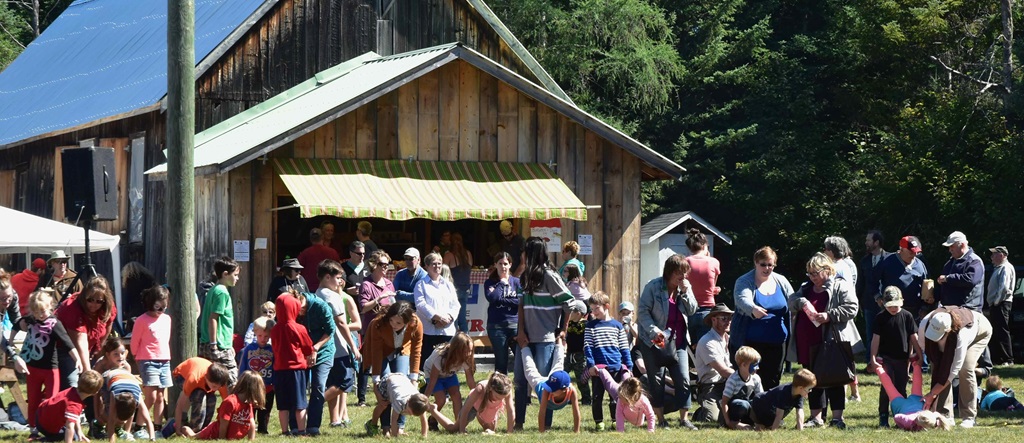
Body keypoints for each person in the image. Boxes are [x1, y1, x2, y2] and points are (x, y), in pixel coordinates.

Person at [788, 253, 862, 429]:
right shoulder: (805, 287)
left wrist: (829, 316)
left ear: (827, 270)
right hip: (807, 341)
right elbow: (791, 301)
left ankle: (837, 418)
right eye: (810, 273)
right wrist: (801, 302)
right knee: (812, 379)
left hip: (831, 341)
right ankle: (816, 418)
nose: (812, 277)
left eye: (815, 273)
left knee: (835, 377)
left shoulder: (840, 285)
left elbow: (852, 308)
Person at [513, 236, 576, 431]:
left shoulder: (550, 276)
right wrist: (520, 331)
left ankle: (546, 425)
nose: (522, 254)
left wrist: (563, 330)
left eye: (525, 251)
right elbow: (521, 306)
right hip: (525, 338)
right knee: (520, 382)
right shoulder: (525, 276)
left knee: (547, 385)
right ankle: (519, 423)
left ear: (532, 253)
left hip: (546, 340)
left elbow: (569, 303)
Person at [637, 254, 698, 430]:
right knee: (657, 381)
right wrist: (654, 330)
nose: (683, 276)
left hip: (678, 342)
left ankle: (684, 418)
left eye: (685, 273)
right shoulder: (653, 287)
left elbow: (693, 310)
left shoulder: (685, 287)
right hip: (653, 341)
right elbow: (642, 312)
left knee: (683, 378)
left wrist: (686, 292)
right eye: (679, 272)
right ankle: (661, 420)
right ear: (669, 272)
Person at [14, 289, 80, 435]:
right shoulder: (31, 319)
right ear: (32, 311)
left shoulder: (54, 324)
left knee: (51, 401)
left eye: (43, 311)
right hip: (32, 367)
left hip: (51, 369)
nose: (40, 315)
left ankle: (50, 428)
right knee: (33, 399)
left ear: (50, 306)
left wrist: (78, 360)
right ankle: (33, 429)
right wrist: (11, 341)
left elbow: (68, 343)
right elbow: (16, 325)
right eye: (36, 312)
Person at [730, 246, 794, 390]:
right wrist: (752, 309)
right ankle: (751, 410)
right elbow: (741, 299)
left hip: (777, 342)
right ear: (755, 263)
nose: (766, 268)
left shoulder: (781, 281)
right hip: (751, 344)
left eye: (770, 265)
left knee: (773, 379)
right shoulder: (744, 281)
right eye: (763, 264)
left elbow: (793, 299)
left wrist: (803, 304)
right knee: (751, 380)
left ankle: (769, 410)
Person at [919, 305, 993, 428]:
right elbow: (925, 348)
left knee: (965, 367)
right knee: (940, 366)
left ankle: (969, 416)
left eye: (939, 336)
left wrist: (933, 393)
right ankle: (945, 415)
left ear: (948, 331)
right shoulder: (925, 323)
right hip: (959, 333)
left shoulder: (961, 335)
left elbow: (953, 370)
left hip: (979, 332)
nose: (935, 340)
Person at [362, 301, 423, 433]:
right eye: (391, 321)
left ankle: (400, 426)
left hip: (402, 350)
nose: (393, 325)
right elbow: (376, 352)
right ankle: (385, 427)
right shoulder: (378, 324)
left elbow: (416, 351)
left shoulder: (416, 323)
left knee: (403, 387)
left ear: (407, 321)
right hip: (381, 352)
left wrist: (414, 378)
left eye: (398, 323)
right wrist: (376, 381)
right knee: (386, 387)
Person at [868, 286, 923, 428]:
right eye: (890, 306)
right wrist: (873, 358)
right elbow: (875, 339)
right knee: (887, 387)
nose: (893, 308)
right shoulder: (880, 318)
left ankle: (902, 415)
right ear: (884, 303)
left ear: (902, 302)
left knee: (901, 387)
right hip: (886, 358)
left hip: (903, 359)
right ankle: (883, 417)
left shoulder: (907, 316)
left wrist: (919, 354)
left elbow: (913, 337)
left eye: (896, 305)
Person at [320, 260, 362, 429]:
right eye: (338, 278)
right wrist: (353, 346)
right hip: (338, 346)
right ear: (327, 276)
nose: (340, 281)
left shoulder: (320, 293)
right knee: (346, 381)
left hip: (331, 347)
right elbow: (342, 323)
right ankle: (316, 402)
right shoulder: (331, 296)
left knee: (334, 383)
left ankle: (334, 419)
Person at [55, 275, 116, 390]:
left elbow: (107, 327)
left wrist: (98, 350)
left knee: (102, 381)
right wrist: (88, 373)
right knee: (73, 385)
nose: (94, 304)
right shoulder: (72, 308)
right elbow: (80, 342)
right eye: (90, 300)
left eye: (99, 301)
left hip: (89, 347)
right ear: (84, 296)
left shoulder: (108, 307)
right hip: (64, 349)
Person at [583, 291, 632, 430]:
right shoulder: (590, 326)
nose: (594, 312)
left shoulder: (617, 326)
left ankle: (615, 419)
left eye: (596, 308)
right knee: (597, 397)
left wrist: (628, 366)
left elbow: (624, 348)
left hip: (615, 366)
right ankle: (599, 422)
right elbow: (588, 347)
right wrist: (591, 365)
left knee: (615, 396)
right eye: (591, 309)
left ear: (607, 306)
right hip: (598, 369)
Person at [355, 250, 396, 407]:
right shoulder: (366, 284)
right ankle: (362, 398)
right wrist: (378, 299)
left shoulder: (389, 284)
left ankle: (385, 392)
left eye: (387, 265)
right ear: (373, 265)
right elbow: (363, 307)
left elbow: (393, 303)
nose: (385, 268)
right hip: (372, 330)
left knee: (386, 361)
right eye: (382, 264)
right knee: (367, 363)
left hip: (388, 329)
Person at [271, 290, 314, 436]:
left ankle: (284, 431)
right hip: (296, 370)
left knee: (283, 405)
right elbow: (308, 347)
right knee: (300, 403)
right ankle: (301, 431)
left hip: (279, 369)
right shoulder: (299, 328)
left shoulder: (275, 329)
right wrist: (309, 355)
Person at [293, 289, 336, 436]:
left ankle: (313, 426)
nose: (301, 313)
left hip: (323, 350)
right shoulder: (292, 307)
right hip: (301, 352)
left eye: (303, 309)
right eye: (298, 310)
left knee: (318, 386)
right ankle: (296, 426)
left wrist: (315, 348)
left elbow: (331, 330)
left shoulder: (320, 306)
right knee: (299, 387)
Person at [130, 285, 172, 433]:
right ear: (151, 304)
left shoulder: (167, 319)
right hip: (147, 360)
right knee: (151, 396)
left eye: (164, 307)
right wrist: (136, 356)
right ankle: (140, 426)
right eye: (158, 307)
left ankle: (157, 427)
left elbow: (165, 340)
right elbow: (135, 342)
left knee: (161, 396)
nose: (161, 311)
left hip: (164, 360)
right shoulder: (142, 320)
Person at [180, 370, 266, 440]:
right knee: (193, 437)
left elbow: (251, 424)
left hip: (231, 436)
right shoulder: (231, 402)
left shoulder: (248, 404)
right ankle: (184, 428)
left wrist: (251, 440)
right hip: (214, 432)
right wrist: (222, 440)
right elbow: (223, 424)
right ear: (252, 389)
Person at [873, 357, 953, 431]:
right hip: (900, 405)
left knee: (917, 385)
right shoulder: (909, 421)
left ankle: (915, 363)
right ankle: (879, 368)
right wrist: (904, 426)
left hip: (918, 402)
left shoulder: (933, 417)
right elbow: (897, 417)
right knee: (889, 387)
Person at [425, 371, 515, 434]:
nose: (499, 400)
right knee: (453, 429)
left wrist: (509, 432)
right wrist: (462, 430)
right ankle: (433, 410)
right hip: (474, 406)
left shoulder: (506, 390)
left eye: (502, 398)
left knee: (490, 430)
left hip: (489, 406)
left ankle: (482, 417)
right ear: (491, 389)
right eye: (497, 397)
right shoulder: (480, 389)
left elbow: (511, 412)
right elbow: (465, 410)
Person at [414, 252, 460, 371]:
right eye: (434, 264)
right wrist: (437, 318)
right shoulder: (421, 284)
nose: (437, 267)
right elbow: (420, 304)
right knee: (426, 363)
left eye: (439, 264)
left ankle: (444, 388)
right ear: (427, 266)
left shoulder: (448, 285)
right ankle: (425, 389)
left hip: (447, 330)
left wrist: (448, 318)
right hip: (429, 330)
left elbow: (456, 304)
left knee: (446, 362)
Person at [199, 256, 239, 386]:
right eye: (236, 275)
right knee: (232, 381)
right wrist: (214, 344)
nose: (237, 278)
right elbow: (213, 318)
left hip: (211, 343)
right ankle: (234, 407)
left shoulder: (213, 289)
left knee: (209, 381)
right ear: (225, 274)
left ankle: (208, 406)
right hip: (218, 345)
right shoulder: (222, 292)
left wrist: (230, 344)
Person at [692, 303, 734, 423]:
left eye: (730, 318)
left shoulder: (729, 339)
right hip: (710, 387)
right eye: (724, 318)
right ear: (714, 320)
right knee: (712, 419)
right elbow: (723, 370)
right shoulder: (707, 341)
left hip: (728, 383)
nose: (728, 321)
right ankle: (700, 413)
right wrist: (742, 378)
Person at [34, 369, 102, 443]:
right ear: (95, 392)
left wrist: (79, 432)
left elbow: (75, 416)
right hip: (45, 426)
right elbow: (69, 427)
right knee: (69, 435)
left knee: (72, 430)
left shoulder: (72, 391)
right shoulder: (74, 405)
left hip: (40, 413)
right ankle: (47, 439)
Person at [423, 332, 477, 422]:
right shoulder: (440, 356)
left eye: (470, 350)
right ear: (457, 349)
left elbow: (470, 379)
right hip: (433, 373)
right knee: (441, 400)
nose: (469, 354)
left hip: (449, 374)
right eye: (466, 351)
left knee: (456, 395)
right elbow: (432, 381)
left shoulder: (466, 358)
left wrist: (476, 394)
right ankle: (432, 420)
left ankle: (459, 422)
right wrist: (424, 399)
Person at [169, 357, 231, 436]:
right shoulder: (194, 379)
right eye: (214, 386)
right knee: (199, 395)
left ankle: (204, 428)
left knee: (212, 398)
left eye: (219, 387)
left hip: (201, 370)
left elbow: (227, 403)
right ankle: (195, 428)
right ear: (206, 378)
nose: (217, 389)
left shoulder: (220, 382)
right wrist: (178, 429)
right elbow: (180, 404)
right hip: (181, 375)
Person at [484, 252, 520, 375]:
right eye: (500, 264)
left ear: (510, 264)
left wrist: (502, 299)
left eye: (505, 264)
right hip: (496, 326)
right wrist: (502, 283)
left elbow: (520, 301)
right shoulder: (490, 282)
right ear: (495, 264)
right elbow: (492, 298)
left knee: (521, 360)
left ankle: (522, 391)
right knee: (501, 362)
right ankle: (500, 391)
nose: (503, 267)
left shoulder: (517, 282)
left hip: (515, 325)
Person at [857, 230, 891, 364]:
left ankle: (886, 360)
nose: (866, 243)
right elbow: (861, 283)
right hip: (869, 303)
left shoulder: (890, 259)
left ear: (876, 242)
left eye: (869, 240)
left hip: (888, 303)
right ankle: (870, 362)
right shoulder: (864, 261)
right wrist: (858, 300)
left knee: (888, 333)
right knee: (871, 332)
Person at [237, 317, 274, 434]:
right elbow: (242, 366)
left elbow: (275, 367)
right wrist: (241, 381)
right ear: (255, 334)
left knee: (265, 409)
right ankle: (247, 428)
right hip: (251, 385)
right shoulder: (248, 349)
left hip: (268, 385)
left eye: (266, 336)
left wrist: (276, 382)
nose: (263, 339)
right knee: (250, 408)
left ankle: (263, 429)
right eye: (260, 336)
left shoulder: (273, 350)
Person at [879, 236, 929, 320]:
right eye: (911, 252)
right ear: (901, 250)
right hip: (891, 310)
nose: (914, 254)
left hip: (914, 312)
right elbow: (873, 280)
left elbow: (926, 286)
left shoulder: (920, 265)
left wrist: (925, 307)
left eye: (916, 252)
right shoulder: (887, 261)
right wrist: (878, 297)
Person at [684, 228, 722, 343]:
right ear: (705, 246)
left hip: (689, 309)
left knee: (691, 349)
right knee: (705, 348)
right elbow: (712, 286)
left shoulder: (686, 261)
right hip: (708, 309)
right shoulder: (714, 262)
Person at [98, 367, 155, 441]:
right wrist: (111, 440)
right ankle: (99, 426)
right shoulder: (114, 395)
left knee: (125, 409)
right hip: (108, 376)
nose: (124, 422)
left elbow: (148, 420)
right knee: (108, 410)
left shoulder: (137, 397)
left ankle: (127, 433)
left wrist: (152, 438)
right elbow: (111, 419)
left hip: (126, 375)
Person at [748, 368, 816, 431]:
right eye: (809, 389)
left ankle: (769, 425)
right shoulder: (783, 392)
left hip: (771, 413)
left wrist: (800, 429)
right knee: (760, 428)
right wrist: (774, 431)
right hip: (759, 405)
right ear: (801, 388)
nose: (810, 391)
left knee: (769, 425)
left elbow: (799, 412)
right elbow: (779, 415)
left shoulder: (799, 394)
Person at [366, 373, 430, 437]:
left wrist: (424, 436)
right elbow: (394, 420)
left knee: (401, 409)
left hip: (401, 380)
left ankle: (400, 429)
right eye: (409, 412)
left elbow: (423, 419)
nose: (410, 414)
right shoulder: (399, 401)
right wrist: (395, 436)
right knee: (383, 405)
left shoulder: (420, 403)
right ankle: (372, 424)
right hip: (387, 382)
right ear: (408, 401)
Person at [937, 231, 984, 312]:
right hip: (949, 308)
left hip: (969, 308)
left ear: (962, 245)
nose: (950, 250)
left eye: (952, 246)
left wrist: (947, 278)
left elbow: (970, 279)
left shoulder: (974, 261)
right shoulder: (950, 262)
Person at [720, 346, 764, 430]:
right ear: (743, 365)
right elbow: (724, 402)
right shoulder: (733, 379)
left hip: (747, 407)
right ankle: (735, 423)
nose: (757, 368)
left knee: (756, 403)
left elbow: (760, 399)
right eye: (754, 365)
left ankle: (752, 422)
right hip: (735, 409)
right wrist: (728, 421)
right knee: (743, 404)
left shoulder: (756, 378)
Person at [986, 245, 1016, 366]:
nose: (992, 257)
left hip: (1002, 303)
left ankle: (1008, 359)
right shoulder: (999, 268)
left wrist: (997, 302)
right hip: (997, 303)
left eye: (994, 254)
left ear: (1002, 255)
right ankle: (999, 358)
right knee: (996, 331)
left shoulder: (1006, 267)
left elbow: (1004, 287)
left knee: (1002, 331)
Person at [442, 232, 473, 333]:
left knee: (453, 319)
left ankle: (453, 343)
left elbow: (441, 271)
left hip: (453, 290)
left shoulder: (449, 255)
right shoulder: (468, 254)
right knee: (462, 319)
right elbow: (470, 267)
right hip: (465, 289)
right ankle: (466, 343)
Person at [297, 228, 340, 292]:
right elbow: (339, 270)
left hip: (310, 290)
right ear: (323, 237)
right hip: (329, 289)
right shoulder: (332, 252)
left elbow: (297, 270)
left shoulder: (304, 253)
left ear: (311, 239)